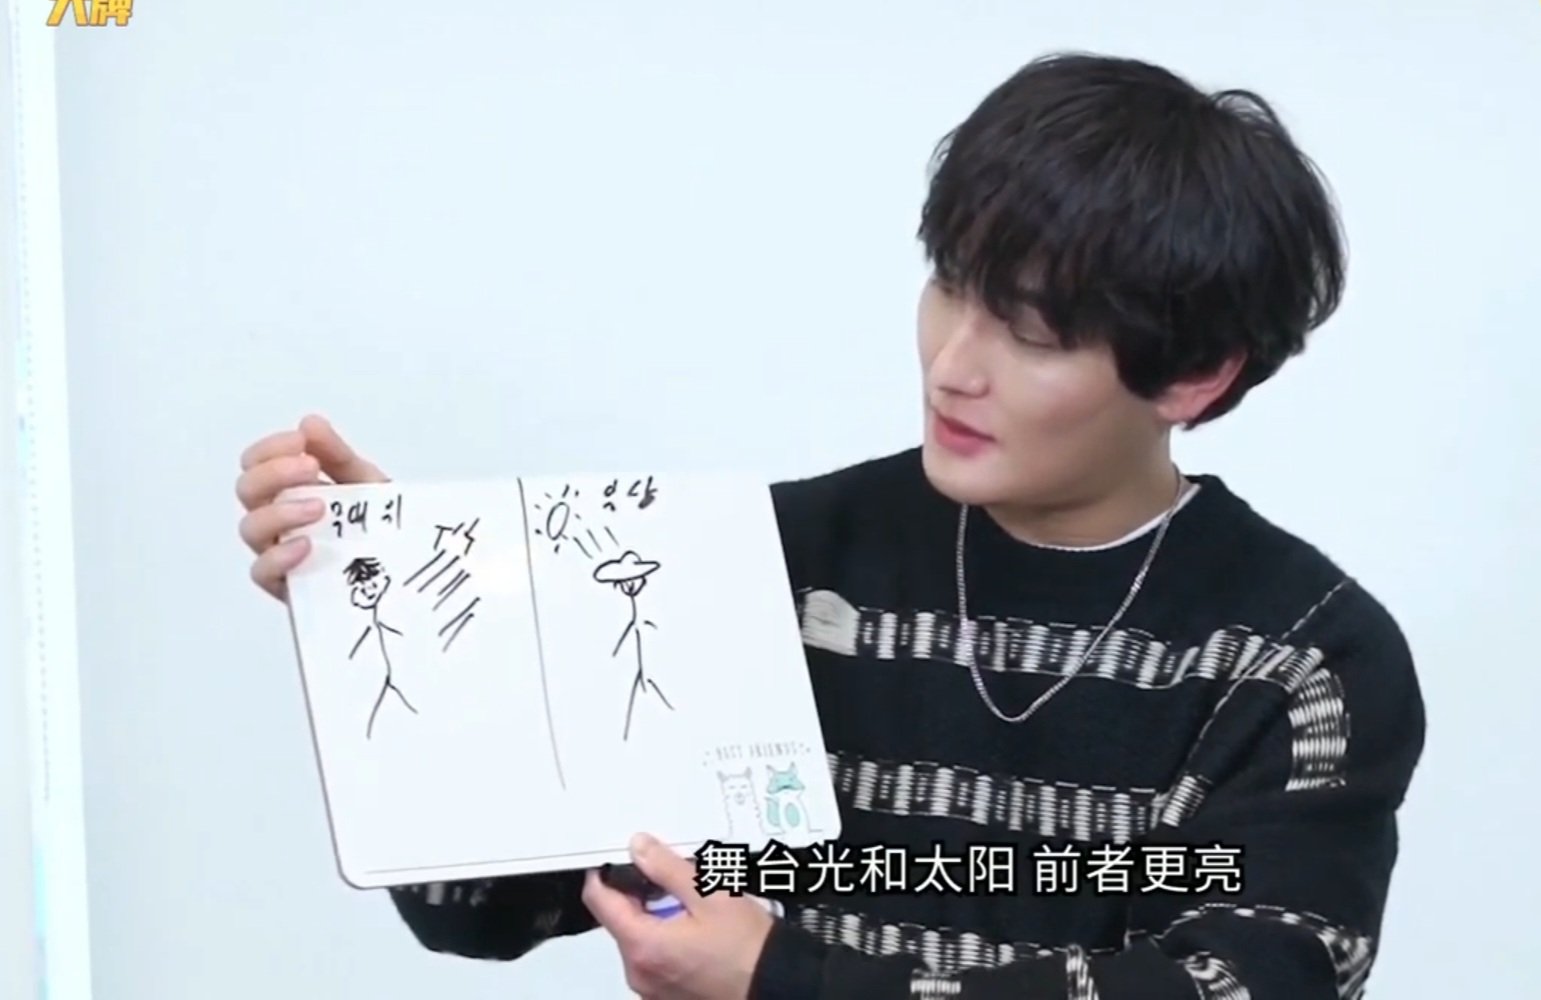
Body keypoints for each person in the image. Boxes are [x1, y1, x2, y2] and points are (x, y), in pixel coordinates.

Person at [236, 51, 1427, 999]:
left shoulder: (1299, 660)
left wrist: (786, 980)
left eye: (1031, 333)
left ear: (1195, 377)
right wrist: (411, 616)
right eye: (949, 285)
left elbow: (1240, 984)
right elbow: (490, 909)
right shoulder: (771, 564)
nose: (953, 365)